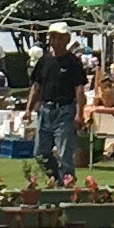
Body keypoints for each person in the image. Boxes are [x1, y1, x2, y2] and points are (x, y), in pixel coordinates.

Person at [29, 29, 87, 181]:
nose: (57, 42)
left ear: (67, 39)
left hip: (65, 110)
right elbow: (36, 87)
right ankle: (55, 179)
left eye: (61, 38)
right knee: (40, 153)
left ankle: (67, 186)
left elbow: (79, 89)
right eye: (54, 38)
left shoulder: (73, 62)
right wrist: (28, 109)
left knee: (65, 154)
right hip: (45, 110)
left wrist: (80, 114)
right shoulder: (44, 61)